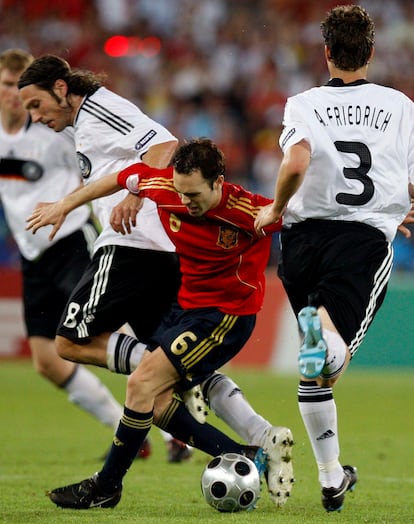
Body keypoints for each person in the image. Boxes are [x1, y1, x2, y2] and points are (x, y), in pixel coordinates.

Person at [18, 55, 292, 479]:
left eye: (36, 105)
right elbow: (124, 168)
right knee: (158, 388)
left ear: (60, 88)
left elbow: (164, 144)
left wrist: (135, 195)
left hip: (134, 245)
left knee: (69, 341)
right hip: (151, 249)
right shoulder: (84, 125)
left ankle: (113, 473)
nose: (35, 117)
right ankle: (248, 451)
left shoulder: (99, 108)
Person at [254, 4, 414, 513]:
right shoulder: (399, 105)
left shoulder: (302, 103)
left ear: (325, 53)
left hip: (299, 244)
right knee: (330, 359)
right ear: (370, 52)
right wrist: (397, 205)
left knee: (315, 376)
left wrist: (276, 209)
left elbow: (296, 159)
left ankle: (331, 479)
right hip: (361, 243)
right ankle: (324, 343)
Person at [0, 48, 133, 448]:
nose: (13, 95)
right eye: (6, 85)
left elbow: (97, 170)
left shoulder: (55, 130)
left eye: (19, 86)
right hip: (31, 252)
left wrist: (70, 205)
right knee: (46, 360)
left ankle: (164, 416)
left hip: (73, 241)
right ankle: (120, 425)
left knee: (108, 329)